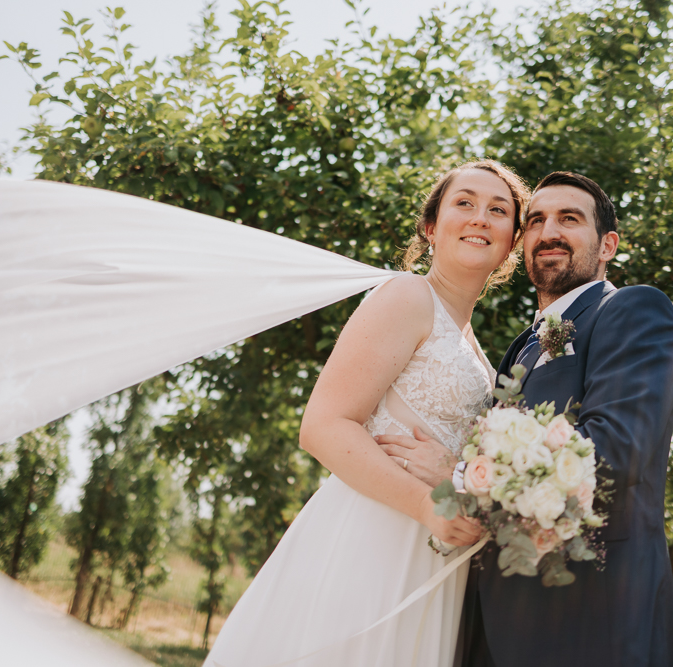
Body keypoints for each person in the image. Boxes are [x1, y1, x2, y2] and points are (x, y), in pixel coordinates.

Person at [205, 160, 530, 667]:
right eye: (463, 203)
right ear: (430, 227)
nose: (480, 218)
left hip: (431, 562)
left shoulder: (482, 357)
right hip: (370, 540)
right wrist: (427, 506)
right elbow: (323, 426)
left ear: (512, 242)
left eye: (498, 210)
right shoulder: (407, 296)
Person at [380, 171, 673, 666]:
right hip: (493, 619)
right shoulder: (524, 345)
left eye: (569, 219)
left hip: (594, 623)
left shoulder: (633, 309)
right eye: (536, 220)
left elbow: (613, 452)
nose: (549, 232)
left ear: (607, 244)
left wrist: (460, 474)